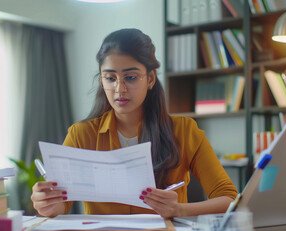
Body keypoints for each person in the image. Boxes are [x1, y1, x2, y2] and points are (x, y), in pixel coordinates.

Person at [31, 28, 237, 218]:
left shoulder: (184, 130)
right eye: (110, 78)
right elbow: (61, 205)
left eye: (130, 77)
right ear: (101, 81)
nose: (120, 89)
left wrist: (180, 209)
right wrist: (47, 203)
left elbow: (229, 198)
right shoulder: (81, 134)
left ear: (150, 79)